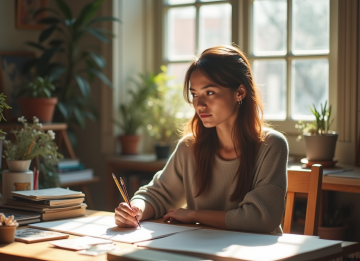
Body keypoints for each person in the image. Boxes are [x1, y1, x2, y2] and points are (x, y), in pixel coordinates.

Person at [114, 45, 289, 233]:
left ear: (240, 92)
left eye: (210, 92)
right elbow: (157, 195)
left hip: (258, 254)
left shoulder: (271, 146)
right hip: (202, 250)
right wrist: (135, 209)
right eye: (195, 94)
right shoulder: (189, 147)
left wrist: (194, 215)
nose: (199, 104)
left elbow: (260, 218)